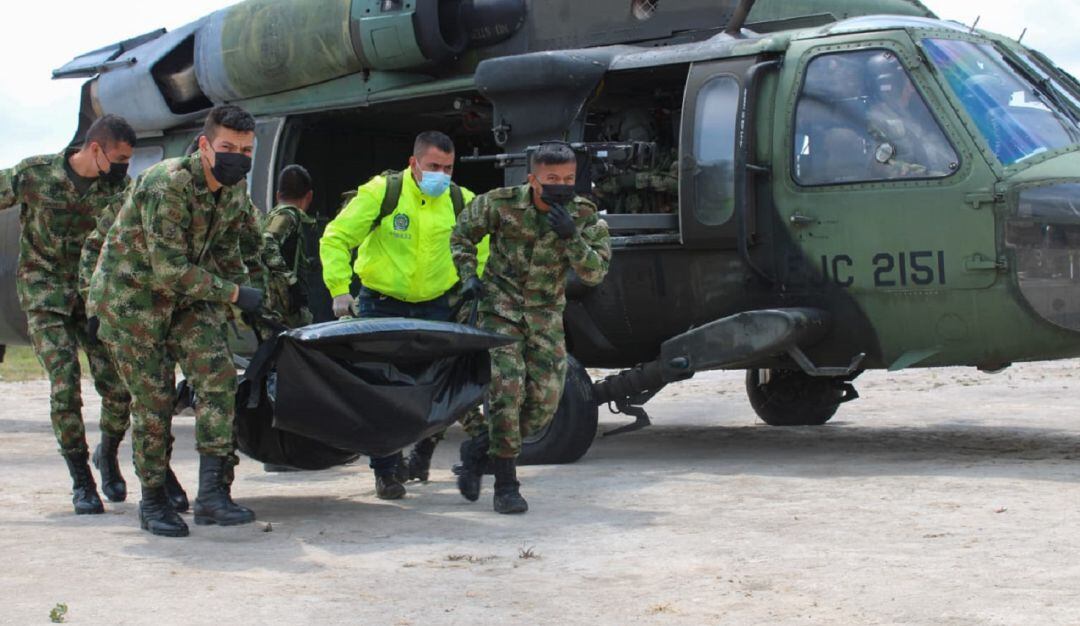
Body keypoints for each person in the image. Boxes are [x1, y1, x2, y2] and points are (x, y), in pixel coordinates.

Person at [88, 104, 265, 537]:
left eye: (245, 150)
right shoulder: (166, 184)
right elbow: (169, 268)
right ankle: (152, 502)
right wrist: (236, 294)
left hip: (186, 300)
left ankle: (212, 495)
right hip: (133, 302)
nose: (236, 157)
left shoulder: (233, 190)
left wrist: (253, 303)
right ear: (205, 146)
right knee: (154, 402)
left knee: (219, 376)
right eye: (227, 147)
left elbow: (226, 252)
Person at [320, 130, 484, 499]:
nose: (442, 174)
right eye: (434, 166)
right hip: (382, 304)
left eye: (448, 167)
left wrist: (478, 285)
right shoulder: (382, 193)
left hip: (435, 305)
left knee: (436, 384)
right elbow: (335, 237)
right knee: (384, 390)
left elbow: (485, 245)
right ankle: (386, 471)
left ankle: (423, 449)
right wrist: (339, 289)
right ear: (414, 163)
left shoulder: (461, 201)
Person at [450, 141, 611, 514]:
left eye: (568, 178)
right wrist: (468, 276)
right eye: (552, 178)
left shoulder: (583, 214)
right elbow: (461, 235)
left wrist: (572, 237)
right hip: (499, 307)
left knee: (545, 403)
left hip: (544, 314)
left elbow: (595, 273)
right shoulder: (500, 203)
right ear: (533, 179)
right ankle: (507, 485)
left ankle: (477, 451)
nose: (561, 185)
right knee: (507, 389)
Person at [0, 115, 136, 514]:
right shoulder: (36, 175)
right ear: (96, 150)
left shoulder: (119, 190)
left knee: (118, 388)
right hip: (45, 295)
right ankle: (81, 481)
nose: (124, 166)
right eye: (120, 157)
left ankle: (107, 452)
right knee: (65, 382)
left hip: (90, 298)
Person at [262, 164, 317, 328]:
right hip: (282, 303)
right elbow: (267, 243)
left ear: (278, 195)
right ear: (309, 196)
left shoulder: (276, 214)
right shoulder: (288, 214)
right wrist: (291, 282)